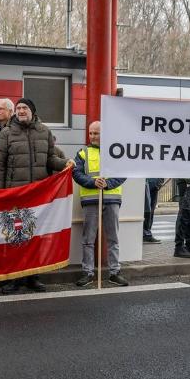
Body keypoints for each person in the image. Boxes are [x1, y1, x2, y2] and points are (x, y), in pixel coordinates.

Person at [0, 98, 73, 294]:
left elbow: (50, 158)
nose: (20, 111)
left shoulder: (44, 132)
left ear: (32, 111)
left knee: (35, 237)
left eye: (24, 108)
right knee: (16, 237)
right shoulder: (6, 133)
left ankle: (33, 277)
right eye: (18, 108)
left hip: (38, 197)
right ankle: (15, 278)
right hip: (15, 195)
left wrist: (65, 164)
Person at [73, 121, 129, 287]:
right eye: (91, 133)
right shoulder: (83, 153)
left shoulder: (115, 151)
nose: (92, 136)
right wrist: (92, 182)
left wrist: (108, 184)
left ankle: (114, 272)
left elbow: (123, 172)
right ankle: (88, 273)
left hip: (111, 198)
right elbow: (76, 173)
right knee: (88, 239)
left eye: (96, 133)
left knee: (113, 238)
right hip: (91, 199)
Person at [142, 178, 165, 244]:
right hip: (148, 184)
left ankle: (147, 233)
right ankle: (146, 234)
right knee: (148, 210)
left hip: (154, 184)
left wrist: (159, 183)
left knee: (150, 211)